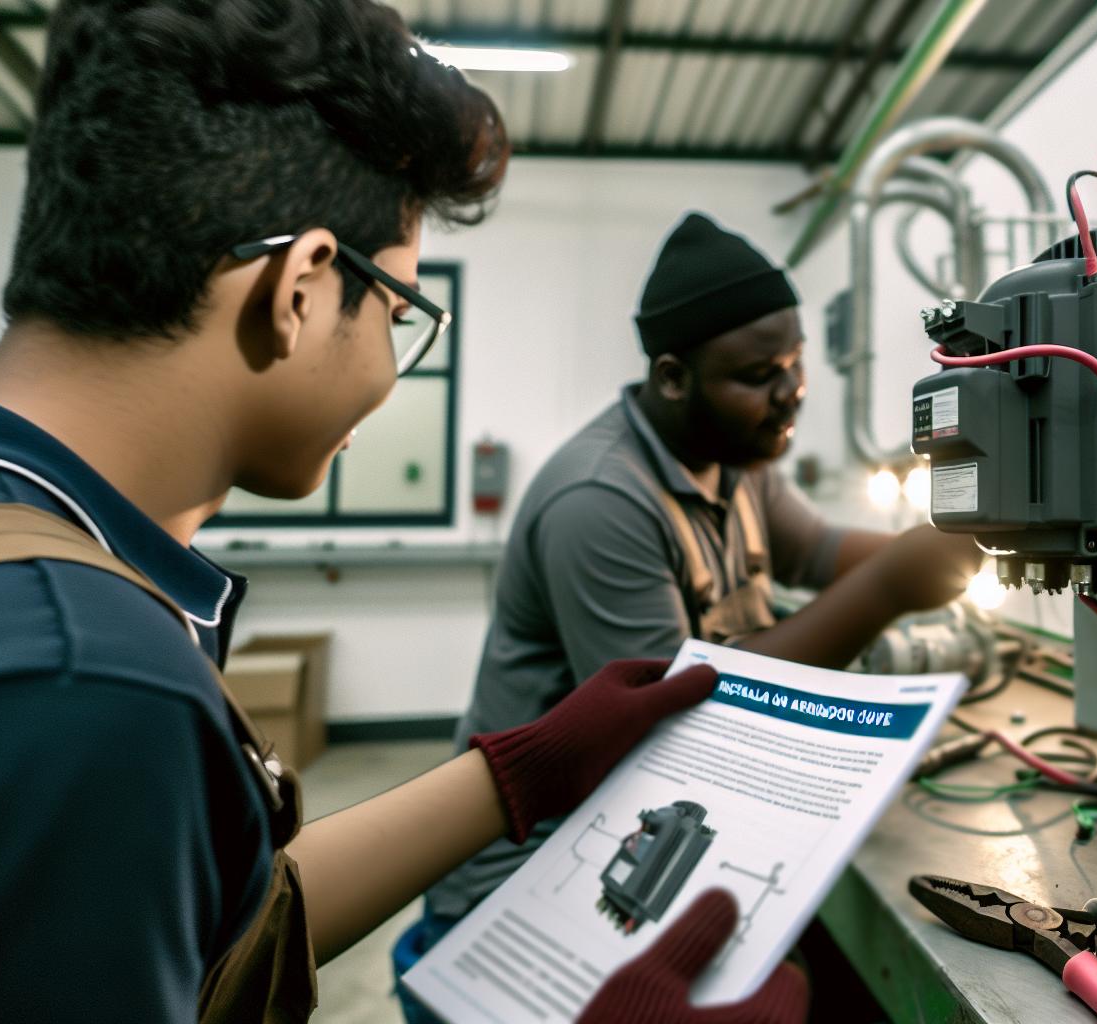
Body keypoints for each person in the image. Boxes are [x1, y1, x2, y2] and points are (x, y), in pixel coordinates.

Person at [0, 2, 805, 1022]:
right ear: (304, 286)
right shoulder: (85, 680)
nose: (388, 369)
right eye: (402, 315)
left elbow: (216, 925)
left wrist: (514, 774)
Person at [405, 212, 984, 1010]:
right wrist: (891, 589)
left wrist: (953, 537)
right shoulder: (600, 499)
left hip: (655, 829)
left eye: (796, 364)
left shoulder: (736, 458)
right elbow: (676, 724)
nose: (791, 396)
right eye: (758, 375)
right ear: (673, 376)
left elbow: (815, 550)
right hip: (534, 884)